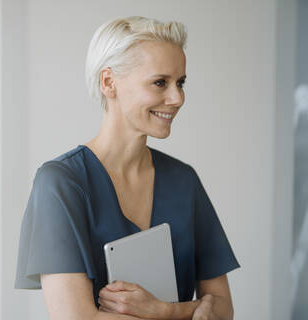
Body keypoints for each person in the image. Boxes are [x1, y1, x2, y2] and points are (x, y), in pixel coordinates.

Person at [14, 16, 240, 320]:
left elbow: (223, 310)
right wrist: (188, 312)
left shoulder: (184, 181)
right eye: (160, 82)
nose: (177, 98)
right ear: (109, 82)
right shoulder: (62, 183)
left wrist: (163, 311)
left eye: (180, 83)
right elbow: (77, 318)